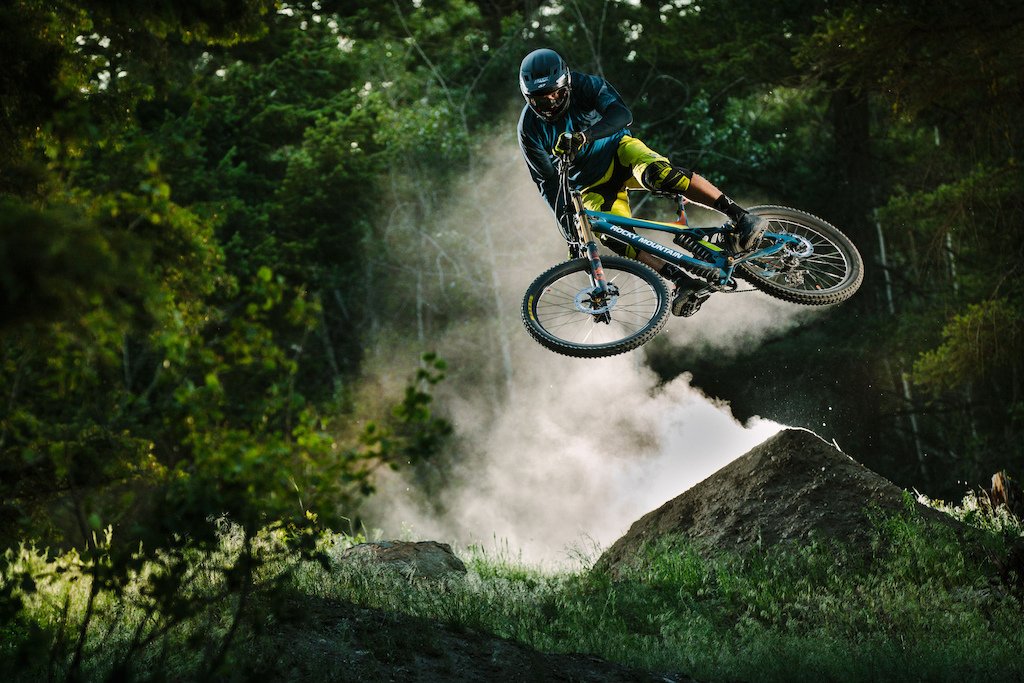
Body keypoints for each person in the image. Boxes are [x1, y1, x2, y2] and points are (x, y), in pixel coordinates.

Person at [517, 48, 767, 316]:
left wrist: (584, 136)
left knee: (661, 174)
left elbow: (622, 115)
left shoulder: (587, 84)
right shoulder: (529, 129)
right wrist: (570, 231)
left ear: (567, 82)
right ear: (529, 99)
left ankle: (740, 216)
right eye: (543, 101)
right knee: (612, 235)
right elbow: (549, 183)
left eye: (558, 94)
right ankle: (681, 280)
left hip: (619, 152)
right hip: (591, 186)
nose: (552, 103)